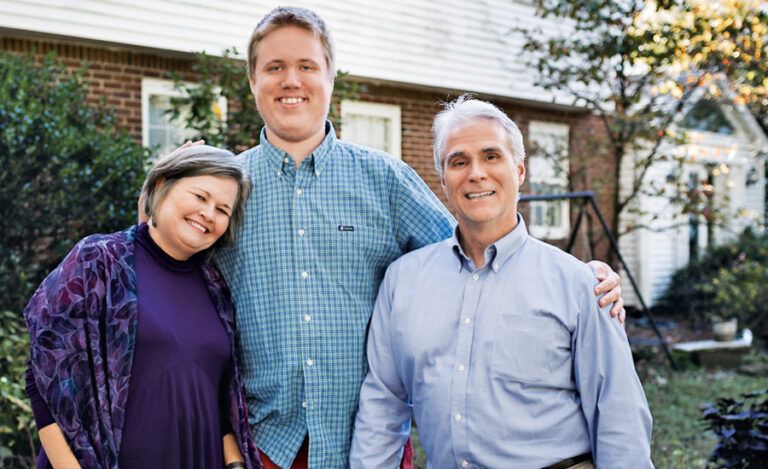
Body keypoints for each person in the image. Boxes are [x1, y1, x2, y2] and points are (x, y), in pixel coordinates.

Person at [212, 6, 627, 468]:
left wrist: (579, 278)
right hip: (264, 446)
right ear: (252, 80)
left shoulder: (386, 180)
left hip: (370, 441)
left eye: (307, 66)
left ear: (330, 77)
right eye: (275, 67)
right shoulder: (223, 188)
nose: (292, 80)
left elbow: (472, 255)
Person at [350, 96, 653, 468]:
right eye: (458, 161)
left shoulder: (579, 284)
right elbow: (383, 404)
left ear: (520, 170)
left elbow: (620, 418)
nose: (476, 173)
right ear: (443, 180)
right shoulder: (403, 282)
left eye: (491, 156)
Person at [24, 146, 259, 469]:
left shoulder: (217, 288)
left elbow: (219, 400)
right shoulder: (100, 260)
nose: (208, 214)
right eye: (200, 196)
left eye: (222, 209)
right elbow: (40, 376)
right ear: (162, 185)